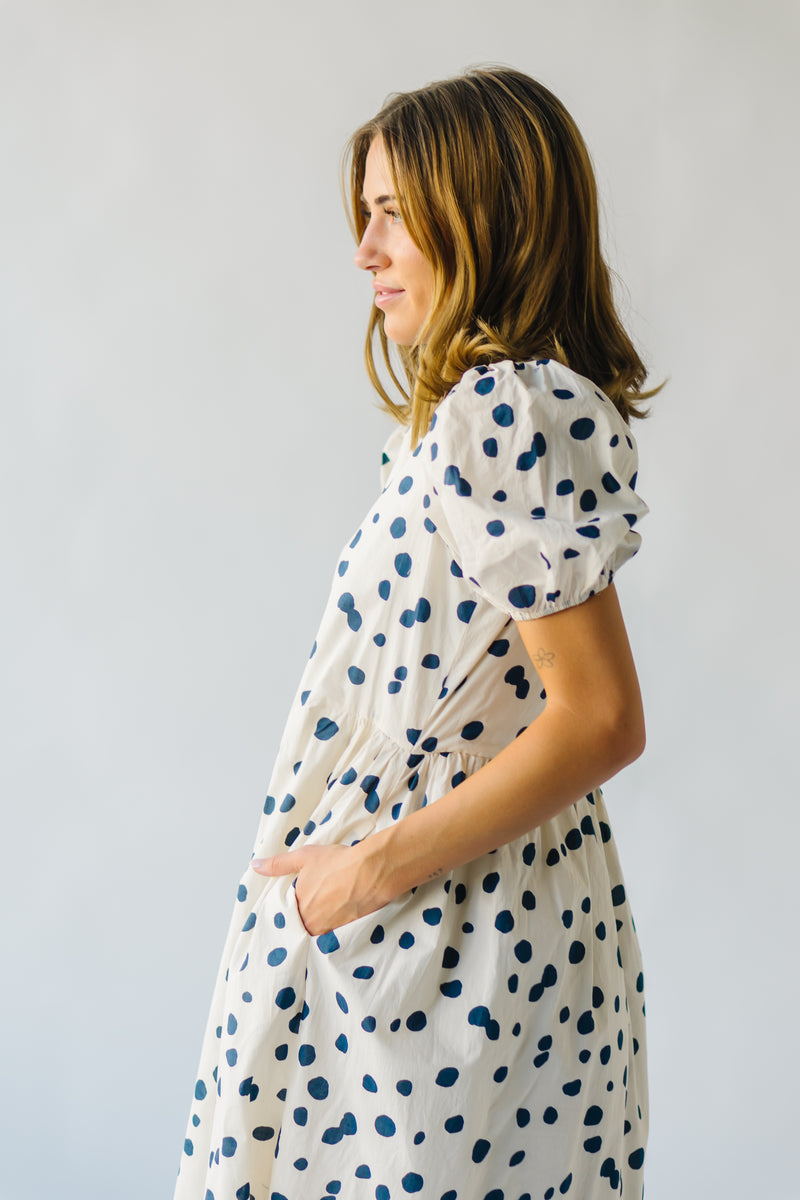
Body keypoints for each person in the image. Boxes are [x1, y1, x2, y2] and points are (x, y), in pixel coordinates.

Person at [174, 66, 655, 1200]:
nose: (365, 250)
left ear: (483, 215)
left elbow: (598, 719)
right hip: (434, 929)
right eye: (367, 213)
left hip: (439, 944)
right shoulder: (471, 414)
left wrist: (356, 877)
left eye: (394, 212)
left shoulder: (505, 408)